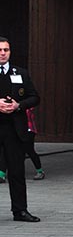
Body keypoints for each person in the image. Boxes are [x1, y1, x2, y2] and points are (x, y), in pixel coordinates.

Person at [0, 37, 41, 222]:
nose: (3, 53)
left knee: (16, 171)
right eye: (0, 50)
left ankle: (20, 210)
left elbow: (34, 97)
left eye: (6, 50)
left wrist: (18, 105)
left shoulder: (21, 73)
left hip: (14, 130)